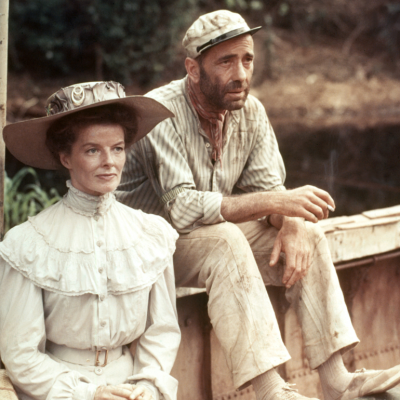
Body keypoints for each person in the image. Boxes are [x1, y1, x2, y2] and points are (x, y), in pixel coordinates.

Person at [117, 10, 400, 400]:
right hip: (144, 245)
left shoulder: (251, 111)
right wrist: (280, 202)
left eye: (247, 59)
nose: (241, 74)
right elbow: (181, 209)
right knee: (224, 240)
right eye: (226, 62)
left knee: (310, 233)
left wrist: (292, 222)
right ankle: (272, 391)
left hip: (198, 240)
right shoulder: (160, 112)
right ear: (193, 69)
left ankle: (339, 382)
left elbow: (269, 188)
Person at [0, 81, 181, 400]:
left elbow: (161, 332)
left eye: (118, 148)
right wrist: (89, 394)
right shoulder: (27, 244)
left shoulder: (151, 234)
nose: (109, 162)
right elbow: (20, 354)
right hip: (57, 390)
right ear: (66, 158)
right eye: (92, 150)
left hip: (133, 389)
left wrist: (148, 386)